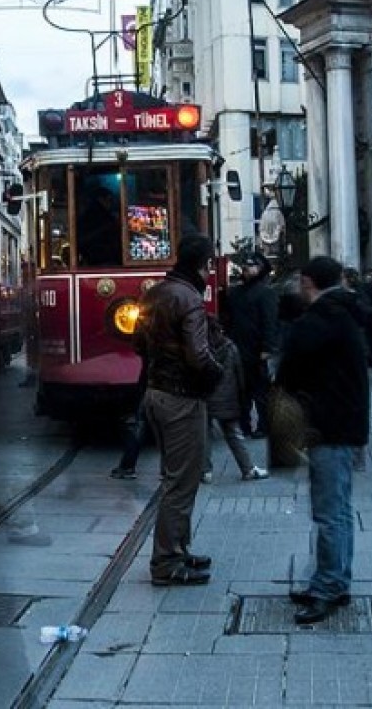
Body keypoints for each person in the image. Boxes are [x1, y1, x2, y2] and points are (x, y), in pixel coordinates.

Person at [277, 256, 369, 625]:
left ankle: (327, 586)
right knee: (339, 508)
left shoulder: (321, 320)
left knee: (329, 510)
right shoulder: (344, 311)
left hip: (329, 424)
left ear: (306, 281)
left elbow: (290, 369)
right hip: (344, 422)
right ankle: (335, 579)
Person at [136, 233, 222, 587]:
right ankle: (167, 560)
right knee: (182, 481)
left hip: (155, 392)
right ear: (201, 265)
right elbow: (198, 355)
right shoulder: (190, 299)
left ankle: (178, 548)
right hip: (182, 397)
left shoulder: (156, 292)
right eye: (209, 264)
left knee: (176, 476)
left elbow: (137, 342)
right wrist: (218, 374)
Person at [203, 316, 269, 483]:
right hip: (228, 399)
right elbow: (240, 375)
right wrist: (242, 398)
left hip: (205, 398)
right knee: (233, 434)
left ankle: (205, 471)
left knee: (204, 435)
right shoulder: (230, 348)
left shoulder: (201, 350)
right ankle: (247, 469)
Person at [225, 251, 279, 439]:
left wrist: (267, 348)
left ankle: (263, 426)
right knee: (242, 391)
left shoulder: (266, 293)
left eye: (251, 266)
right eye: (245, 266)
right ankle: (244, 425)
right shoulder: (236, 292)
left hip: (256, 350)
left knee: (260, 391)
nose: (246, 269)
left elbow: (270, 322)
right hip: (239, 347)